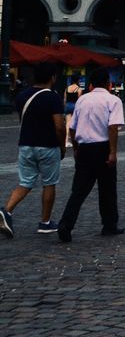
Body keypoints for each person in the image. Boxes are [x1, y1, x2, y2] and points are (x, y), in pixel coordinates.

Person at [58, 66, 125, 242]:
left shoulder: (82, 100)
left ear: (90, 85)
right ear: (109, 84)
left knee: (78, 191)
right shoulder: (113, 100)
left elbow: (72, 127)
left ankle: (66, 225)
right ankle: (109, 225)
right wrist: (112, 152)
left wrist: (76, 147)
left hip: (85, 148)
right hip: (102, 147)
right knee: (108, 189)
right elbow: (113, 127)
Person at [1, 62, 67, 238]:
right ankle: (45, 222)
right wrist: (62, 145)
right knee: (49, 183)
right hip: (47, 146)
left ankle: (7, 210)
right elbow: (59, 126)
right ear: (52, 77)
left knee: (25, 182)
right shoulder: (53, 97)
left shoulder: (22, 96)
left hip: (26, 145)